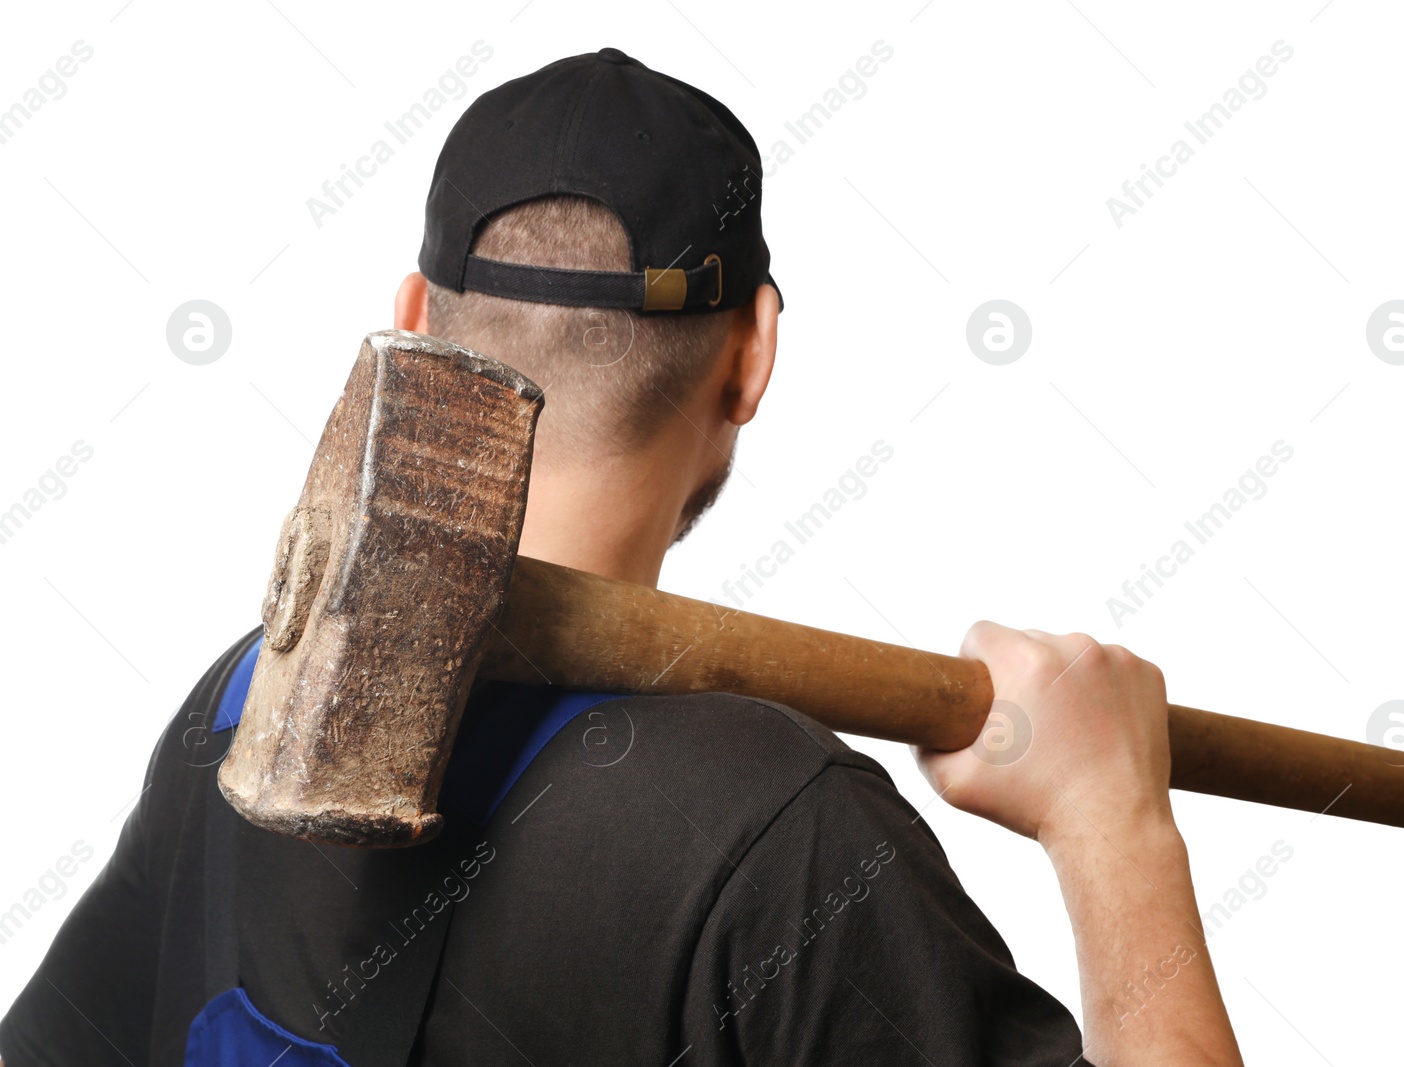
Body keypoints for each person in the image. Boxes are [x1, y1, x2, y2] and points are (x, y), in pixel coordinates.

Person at [0, 48, 1242, 1066]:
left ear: (417, 319)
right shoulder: (778, 837)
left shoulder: (239, 704)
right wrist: (1110, 821)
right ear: (754, 353)